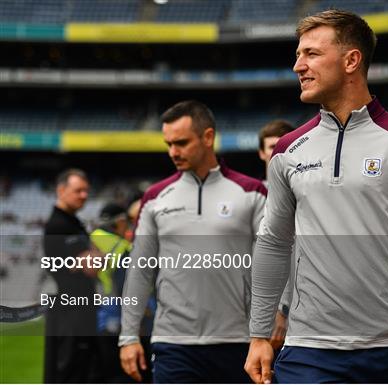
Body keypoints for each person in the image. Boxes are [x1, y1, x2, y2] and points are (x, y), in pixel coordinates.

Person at [245, 9, 388, 383]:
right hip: (308, 351)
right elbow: (273, 243)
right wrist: (259, 334)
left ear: (352, 60)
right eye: (298, 54)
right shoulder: (288, 150)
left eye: (311, 54)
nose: (297, 66)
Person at [119, 100, 267, 383]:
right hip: (173, 344)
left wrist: (274, 319)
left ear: (208, 137)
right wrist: (128, 336)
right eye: (169, 144)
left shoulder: (252, 193)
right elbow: (140, 271)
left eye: (182, 142)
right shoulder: (154, 198)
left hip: (238, 342)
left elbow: (272, 264)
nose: (173, 152)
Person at [43, 168, 101, 383]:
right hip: (69, 313)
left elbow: (93, 260)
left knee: (83, 370)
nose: (84, 196)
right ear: (61, 190)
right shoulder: (58, 225)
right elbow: (93, 265)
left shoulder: (74, 223)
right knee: (68, 372)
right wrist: (94, 256)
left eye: (86, 191)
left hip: (80, 309)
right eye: (78, 190)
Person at [258, 119, 295, 351]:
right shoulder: (249, 196)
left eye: (283, 145)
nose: (277, 152)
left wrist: (283, 309)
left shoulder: (301, 198)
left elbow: (294, 255)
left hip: (290, 317)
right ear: (261, 152)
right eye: (272, 147)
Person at [90, 203, 135, 383]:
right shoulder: (123, 246)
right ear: (118, 222)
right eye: (125, 221)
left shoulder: (90, 238)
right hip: (114, 311)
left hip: (92, 311)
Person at [258, 119, 295, 187]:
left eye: (284, 145)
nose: (278, 151)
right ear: (262, 153)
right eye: (272, 147)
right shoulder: (254, 194)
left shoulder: (305, 190)